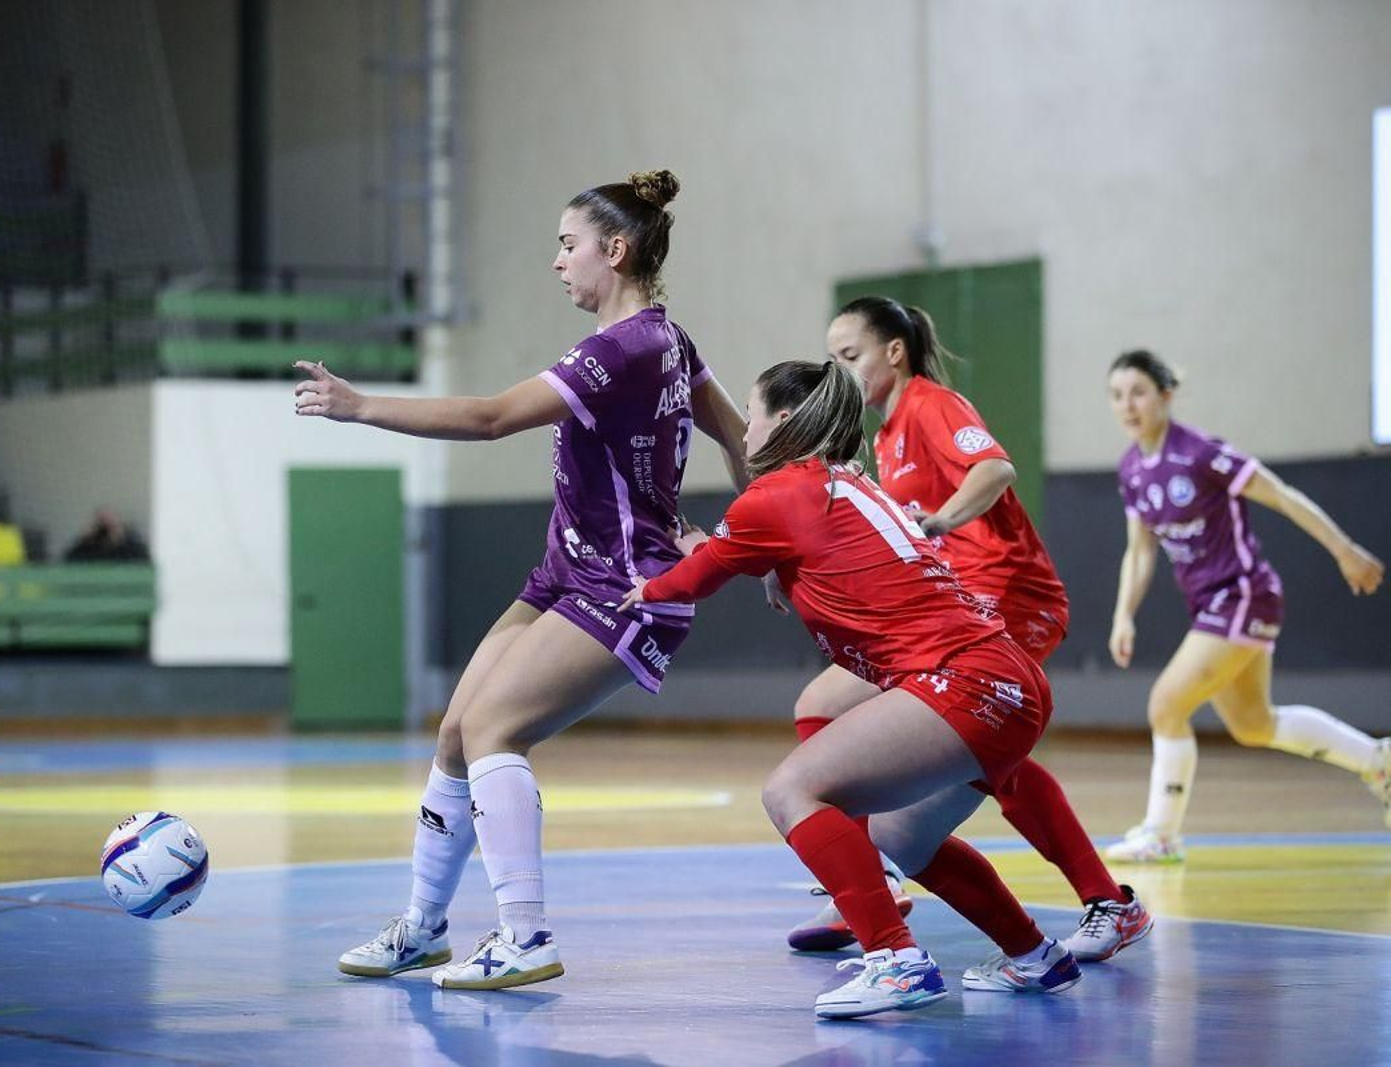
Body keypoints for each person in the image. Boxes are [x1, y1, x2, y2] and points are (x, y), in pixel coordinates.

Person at [302, 170, 750, 989]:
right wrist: (745, 542)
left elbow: (488, 419)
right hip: (565, 572)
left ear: (616, 251)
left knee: (493, 729)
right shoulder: (672, 342)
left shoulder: (618, 351)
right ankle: (423, 929)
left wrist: (360, 406)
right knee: (456, 732)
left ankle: (526, 935)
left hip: (622, 587)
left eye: (569, 244)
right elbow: (742, 439)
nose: (558, 261)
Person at [622, 360, 1080, 1019]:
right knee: (904, 837)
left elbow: (695, 579)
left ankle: (896, 961)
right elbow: (780, 554)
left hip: (962, 680)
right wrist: (738, 558)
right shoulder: (851, 484)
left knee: (790, 789)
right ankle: (1035, 954)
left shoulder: (776, 496)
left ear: (783, 420)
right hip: (1011, 680)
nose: (745, 428)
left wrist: (643, 590)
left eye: (752, 414)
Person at [785, 297, 1149, 963]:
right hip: (957, 609)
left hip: (1011, 598)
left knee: (991, 757)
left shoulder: (931, 404)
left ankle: (1107, 901)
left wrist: (939, 521)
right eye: (831, 358)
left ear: (894, 352)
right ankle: (870, 876)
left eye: (850, 355)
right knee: (825, 706)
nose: (840, 370)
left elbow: (995, 469)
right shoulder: (885, 437)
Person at [1104, 349, 1387, 862]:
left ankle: (1161, 835)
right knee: (1255, 725)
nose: (1128, 405)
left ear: (1166, 395)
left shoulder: (1201, 453)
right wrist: (1124, 614)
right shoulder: (1131, 469)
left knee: (1166, 704)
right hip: (1212, 605)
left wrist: (1344, 549)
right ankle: (1379, 760)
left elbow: (1282, 495)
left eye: (1139, 392)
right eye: (1117, 395)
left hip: (1241, 593)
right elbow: (1140, 551)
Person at [64, 509, 149, 562]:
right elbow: (69, 561)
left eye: (111, 524)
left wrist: (120, 540)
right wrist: (84, 541)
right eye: (102, 523)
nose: (106, 530)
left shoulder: (131, 548)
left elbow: (143, 562)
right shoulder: (88, 547)